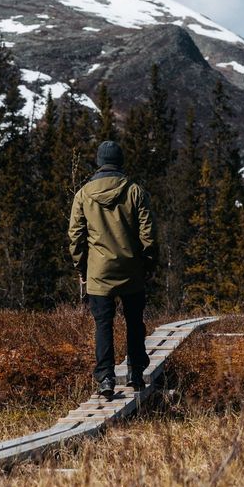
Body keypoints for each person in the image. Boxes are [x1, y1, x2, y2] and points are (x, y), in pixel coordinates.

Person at [68, 140, 158, 399]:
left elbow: (75, 235)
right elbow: (148, 232)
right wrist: (147, 262)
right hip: (131, 269)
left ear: (98, 162)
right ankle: (136, 372)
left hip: (98, 272)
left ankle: (106, 377)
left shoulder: (84, 194)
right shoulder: (135, 191)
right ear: (120, 162)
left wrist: (81, 266)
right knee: (134, 322)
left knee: (103, 325)